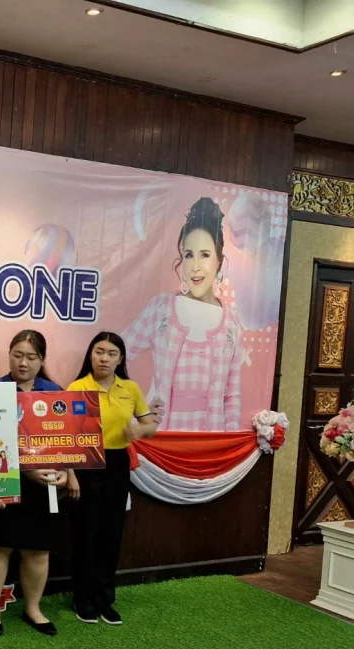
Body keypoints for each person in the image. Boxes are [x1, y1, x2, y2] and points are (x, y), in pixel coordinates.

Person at [0, 330, 81, 638]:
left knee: (38, 550)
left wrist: (68, 473)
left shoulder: (54, 393)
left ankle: (33, 608)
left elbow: (66, 440)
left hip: (44, 487)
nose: (23, 363)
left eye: (31, 357)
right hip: (4, 481)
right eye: (17, 355)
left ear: (42, 359)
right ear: (9, 356)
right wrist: (25, 470)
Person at [121, 197, 244, 432]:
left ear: (219, 261)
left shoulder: (231, 322)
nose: (195, 266)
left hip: (211, 439)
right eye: (188, 255)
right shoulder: (161, 309)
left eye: (205, 255)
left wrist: (228, 443)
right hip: (161, 439)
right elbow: (117, 355)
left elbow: (232, 396)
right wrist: (136, 409)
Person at [67, 332, 157, 625]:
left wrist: (141, 430)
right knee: (85, 532)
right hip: (86, 463)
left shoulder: (130, 388)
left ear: (120, 359)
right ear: (90, 355)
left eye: (111, 353)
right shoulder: (77, 388)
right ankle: (83, 598)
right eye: (99, 352)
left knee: (111, 532)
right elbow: (66, 435)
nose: (104, 358)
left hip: (117, 463)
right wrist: (70, 473)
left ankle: (105, 598)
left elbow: (150, 426)